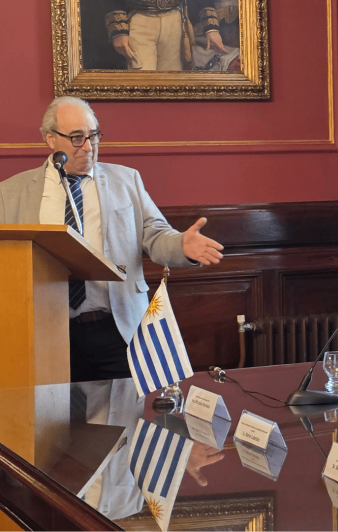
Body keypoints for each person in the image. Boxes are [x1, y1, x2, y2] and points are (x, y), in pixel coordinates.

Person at [0, 96, 224, 382]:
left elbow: (156, 236)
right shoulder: (11, 194)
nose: (89, 146)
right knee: (55, 423)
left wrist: (181, 245)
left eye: (94, 135)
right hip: (46, 332)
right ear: (51, 139)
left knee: (125, 423)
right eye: (77, 138)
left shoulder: (126, 181)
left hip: (117, 329)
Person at [105, 0, 225, 70]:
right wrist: (118, 31)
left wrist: (211, 27)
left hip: (175, 21)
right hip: (139, 20)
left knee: (173, 82)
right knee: (141, 83)